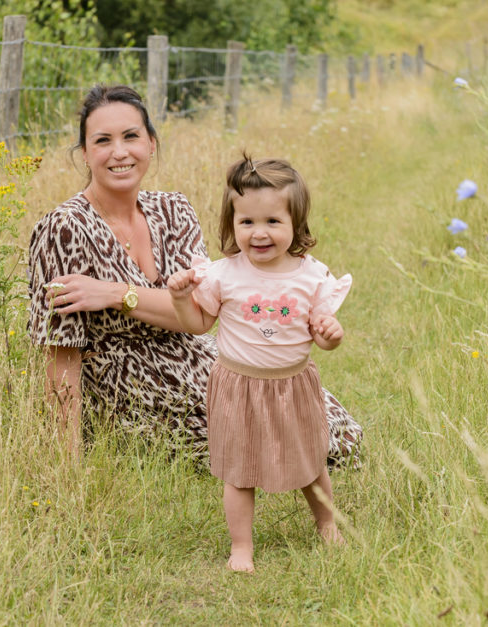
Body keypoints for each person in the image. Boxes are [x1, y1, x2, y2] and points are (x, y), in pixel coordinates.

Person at [27, 84, 361, 467]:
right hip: (132, 384)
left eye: (131, 136)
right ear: (85, 153)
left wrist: (116, 293)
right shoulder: (63, 228)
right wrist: (65, 465)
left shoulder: (173, 209)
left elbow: (202, 313)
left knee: (337, 431)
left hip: (202, 356)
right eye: (103, 141)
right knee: (286, 449)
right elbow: (59, 354)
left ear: (151, 144)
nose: (119, 152)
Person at [167, 155, 351, 572]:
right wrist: (181, 299)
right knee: (239, 470)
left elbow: (322, 336)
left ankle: (328, 526)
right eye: (246, 222)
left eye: (272, 221)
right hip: (238, 385)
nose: (259, 233)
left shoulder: (311, 277)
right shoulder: (222, 275)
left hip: (292, 384)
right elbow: (198, 325)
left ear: (296, 224)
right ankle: (241, 548)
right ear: (232, 224)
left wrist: (330, 335)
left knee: (309, 463)